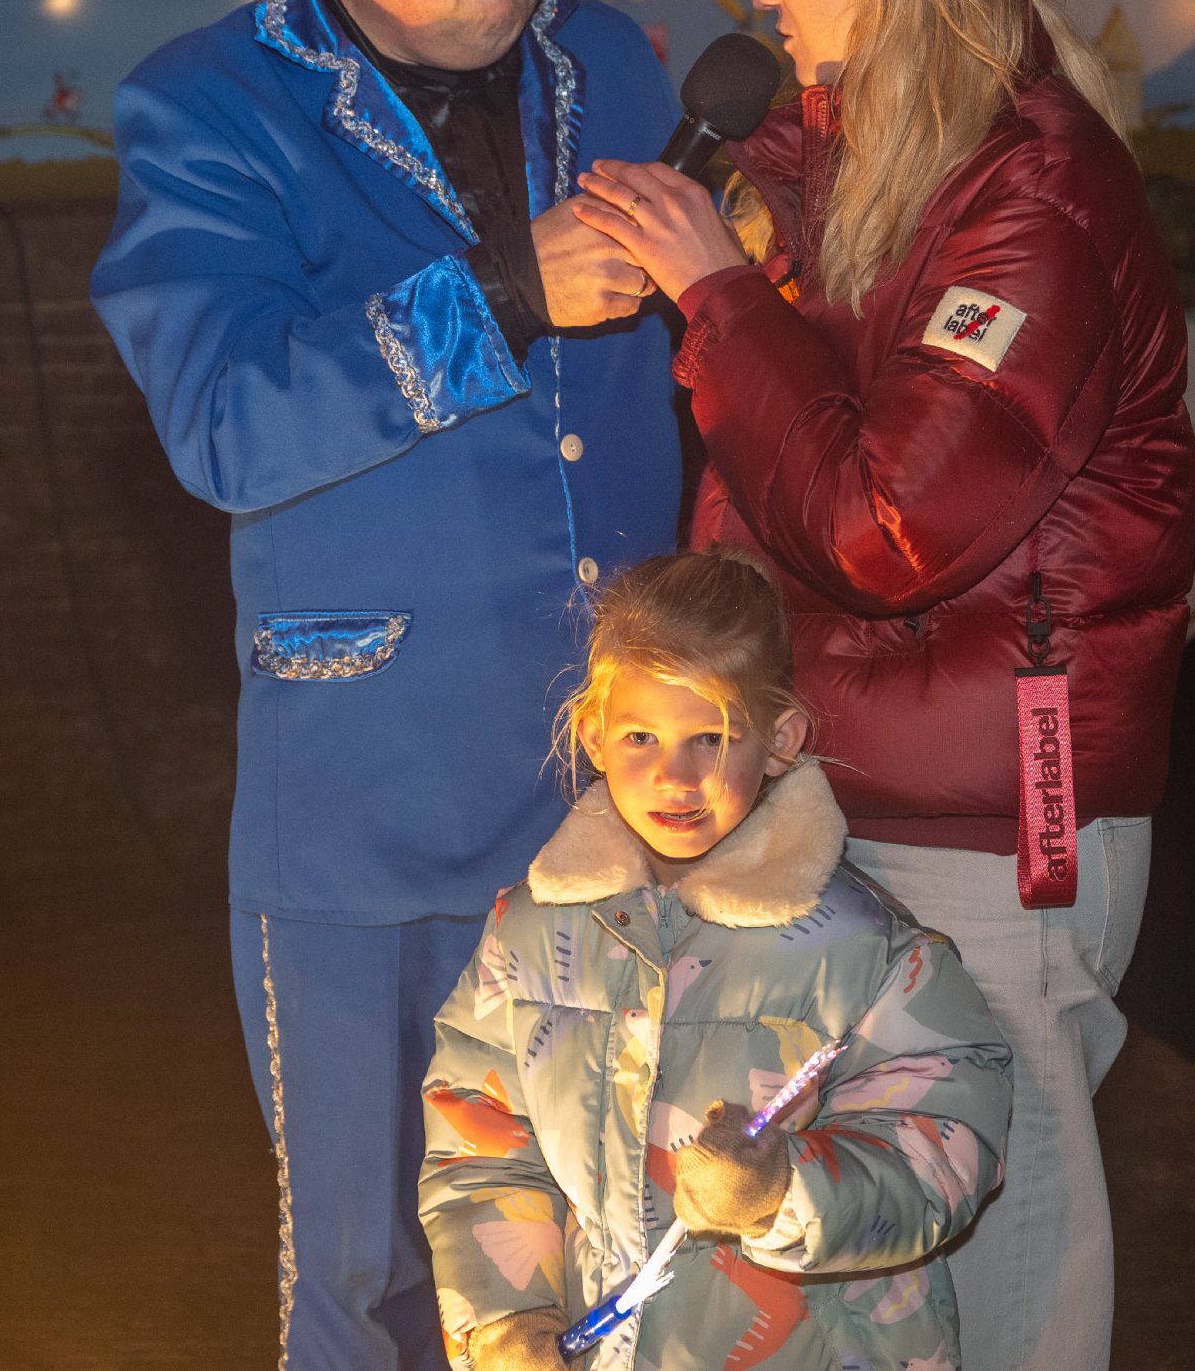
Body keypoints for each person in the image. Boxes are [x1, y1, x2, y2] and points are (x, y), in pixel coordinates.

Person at [88, 0, 682, 1363]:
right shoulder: (208, 105)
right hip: (368, 810)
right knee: (368, 1283)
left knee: (611, 1265)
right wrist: (498, 293)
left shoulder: (618, 68)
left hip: (631, 797)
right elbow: (223, 421)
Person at [571, 0, 1195, 1371]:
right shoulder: (862, 160)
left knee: (1004, 1243)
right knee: (865, 1263)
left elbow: (887, 529)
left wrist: (721, 299)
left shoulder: (1035, 197)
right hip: (861, 785)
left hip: (989, 818)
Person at [418, 549, 1012, 1371]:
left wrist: (781, 1190)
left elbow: (949, 1139)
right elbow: (480, 1145)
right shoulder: (526, 938)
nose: (676, 775)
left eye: (712, 738)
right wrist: (508, 1316)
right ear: (593, 736)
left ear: (780, 741)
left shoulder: (864, 952)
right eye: (641, 737)